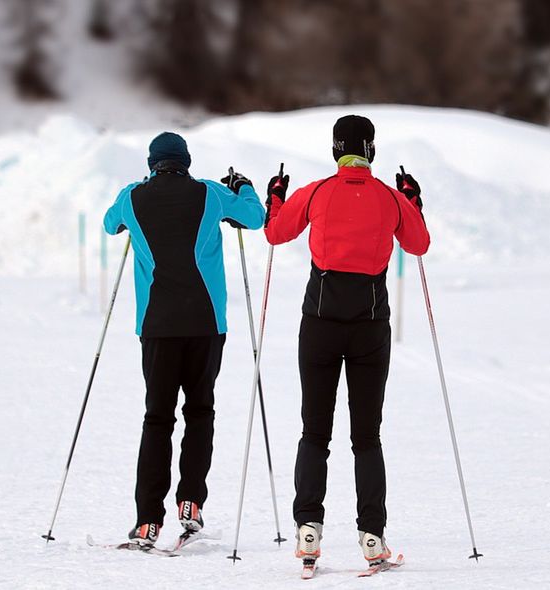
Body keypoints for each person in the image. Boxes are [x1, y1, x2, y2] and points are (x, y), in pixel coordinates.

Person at [263, 115, 430, 569]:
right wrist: (413, 201)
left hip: (319, 323)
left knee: (314, 432)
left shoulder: (316, 192)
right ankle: (372, 537)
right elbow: (418, 244)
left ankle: (308, 530)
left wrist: (275, 197)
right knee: (367, 436)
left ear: (336, 149)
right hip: (370, 327)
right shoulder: (391, 198)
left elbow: (276, 233)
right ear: (371, 150)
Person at [103, 132, 265, 549]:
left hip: (157, 325)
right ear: (186, 162)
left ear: (152, 163)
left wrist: (136, 189)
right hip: (206, 323)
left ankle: (147, 521)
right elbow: (254, 217)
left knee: (157, 418)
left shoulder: (133, 197)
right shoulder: (209, 193)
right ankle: (191, 500)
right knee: (200, 411)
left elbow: (109, 224)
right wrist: (244, 186)